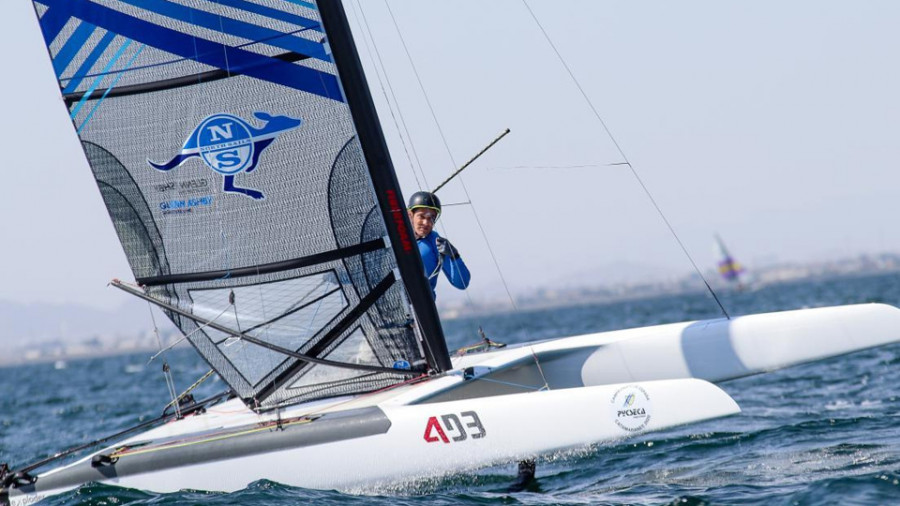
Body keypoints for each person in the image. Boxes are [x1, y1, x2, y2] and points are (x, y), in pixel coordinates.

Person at [407, 191, 470, 298]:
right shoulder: (393, 234)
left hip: (421, 308)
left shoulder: (436, 243)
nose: (426, 223)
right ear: (410, 215)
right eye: (421, 216)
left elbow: (462, 283)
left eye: (431, 218)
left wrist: (454, 255)